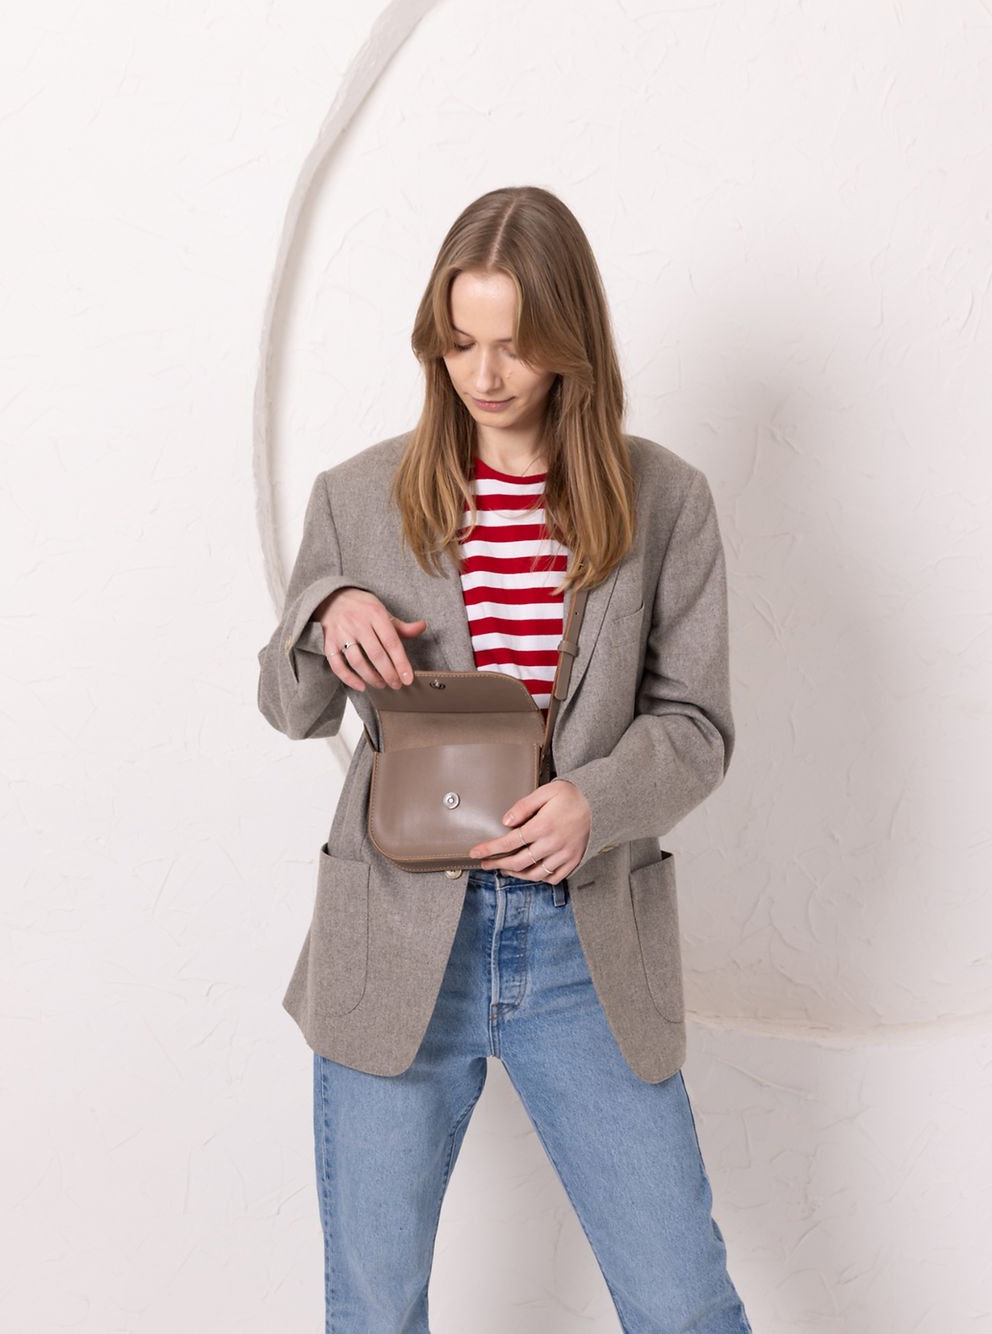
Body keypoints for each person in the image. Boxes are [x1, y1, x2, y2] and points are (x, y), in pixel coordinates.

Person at [256, 185, 752, 1333]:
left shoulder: (665, 500)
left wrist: (597, 797)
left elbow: (696, 720)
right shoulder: (360, 496)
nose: (484, 376)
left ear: (569, 342)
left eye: (515, 346)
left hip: (581, 943)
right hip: (395, 936)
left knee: (682, 1301)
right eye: (462, 342)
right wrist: (326, 613)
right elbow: (288, 705)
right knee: (375, 1309)